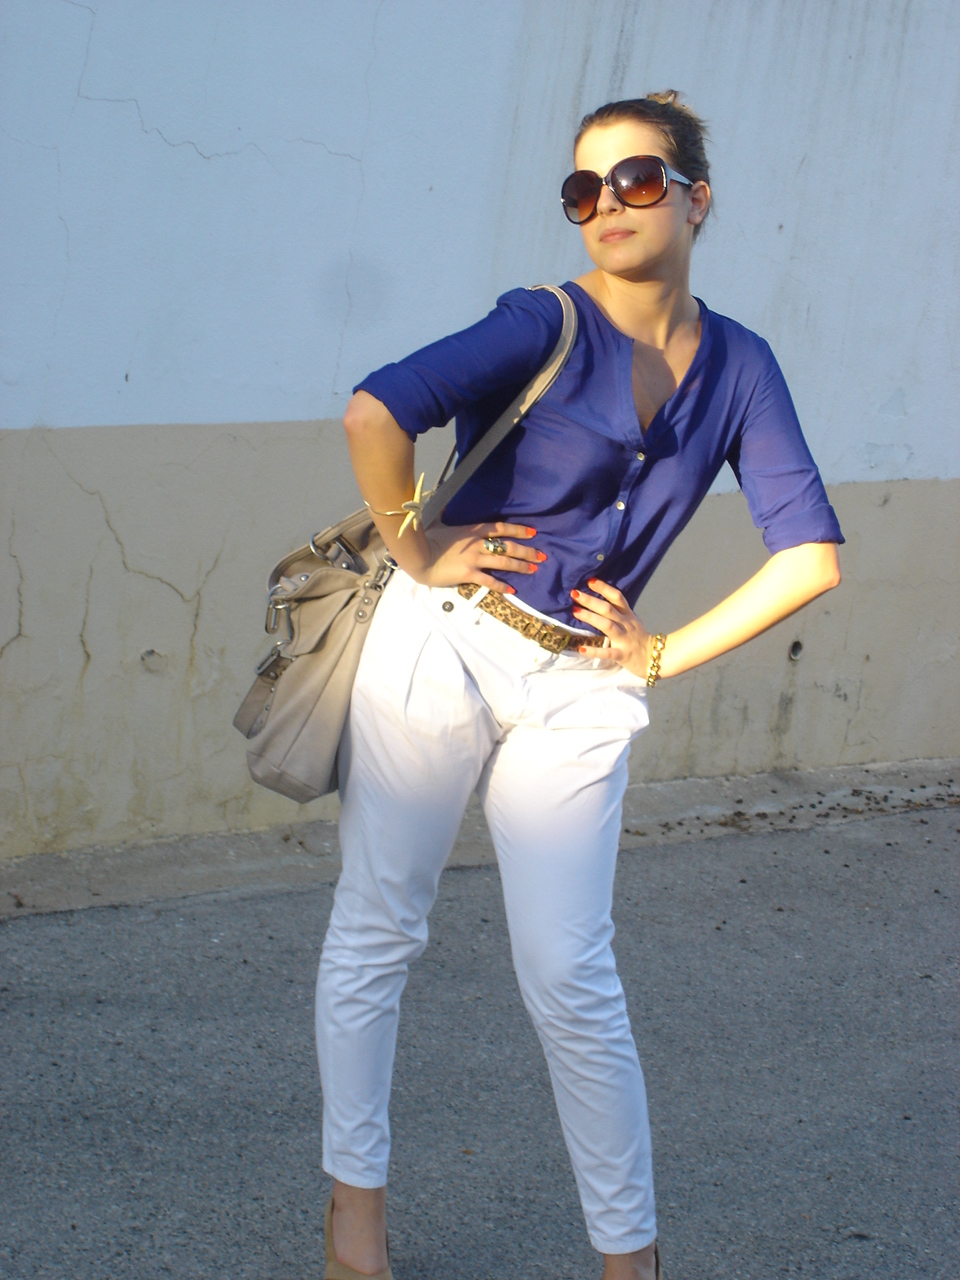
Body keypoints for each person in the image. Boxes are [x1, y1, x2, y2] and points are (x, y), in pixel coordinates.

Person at [315, 92, 843, 1280]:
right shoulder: (544, 319)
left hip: (581, 683)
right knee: (380, 924)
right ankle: (356, 1225)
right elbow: (376, 409)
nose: (609, 203)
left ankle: (629, 1259)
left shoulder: (742, 367)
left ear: (698, 200)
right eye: (584, 188)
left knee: (570, 971)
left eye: (639, 178)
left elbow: (810, 555)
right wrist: (415, 546)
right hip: (446, 638)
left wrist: (659, 652)